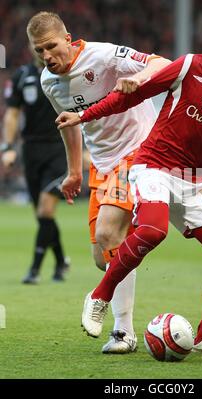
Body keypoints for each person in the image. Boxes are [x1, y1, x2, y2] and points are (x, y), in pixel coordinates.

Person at [56, 17, 202, 357]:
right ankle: (100, 296)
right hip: (153, 166)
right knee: (153, 231)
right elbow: (131, 96)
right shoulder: (189, 66)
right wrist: (83, 117)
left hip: (194, 180)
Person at [26, 11, 171, 354]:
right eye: (38, 51)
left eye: (51, 47)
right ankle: (142, 230)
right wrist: (75, 171)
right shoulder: (49, 80)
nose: (46, 56)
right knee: (103, 256)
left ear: (68, 39)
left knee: (109, 233)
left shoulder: (103, 55)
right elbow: (71, 124)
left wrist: (140, 79)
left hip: (139, 149)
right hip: (103, 164)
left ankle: (122, 333)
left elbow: (161, 63)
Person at [1, 52, 70, 284]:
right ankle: (61, 261)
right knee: (42, 217)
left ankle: (34, 270)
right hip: (31, 151)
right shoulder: (22, 76)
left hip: (60, 149)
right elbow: (12, 114)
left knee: (45, 211)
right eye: (38, 46)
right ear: (31, 47)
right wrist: (7, 147)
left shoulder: (67, 73)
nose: (44, 51)